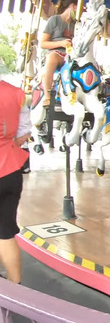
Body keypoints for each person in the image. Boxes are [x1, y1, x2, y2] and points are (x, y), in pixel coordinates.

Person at [0, 78, 31, 284]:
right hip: (9, 170)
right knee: (5, 232)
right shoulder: (17, 94)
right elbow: (24, 135)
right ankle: (16, 290)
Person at [39, 0, 80, 106]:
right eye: (79, 8)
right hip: (56, 52)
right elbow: (42, 43)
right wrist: (61, 43)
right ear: (73, 6)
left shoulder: (76, 24)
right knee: (52, 58)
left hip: (71, 54)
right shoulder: (55, 20)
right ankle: (47, 95)